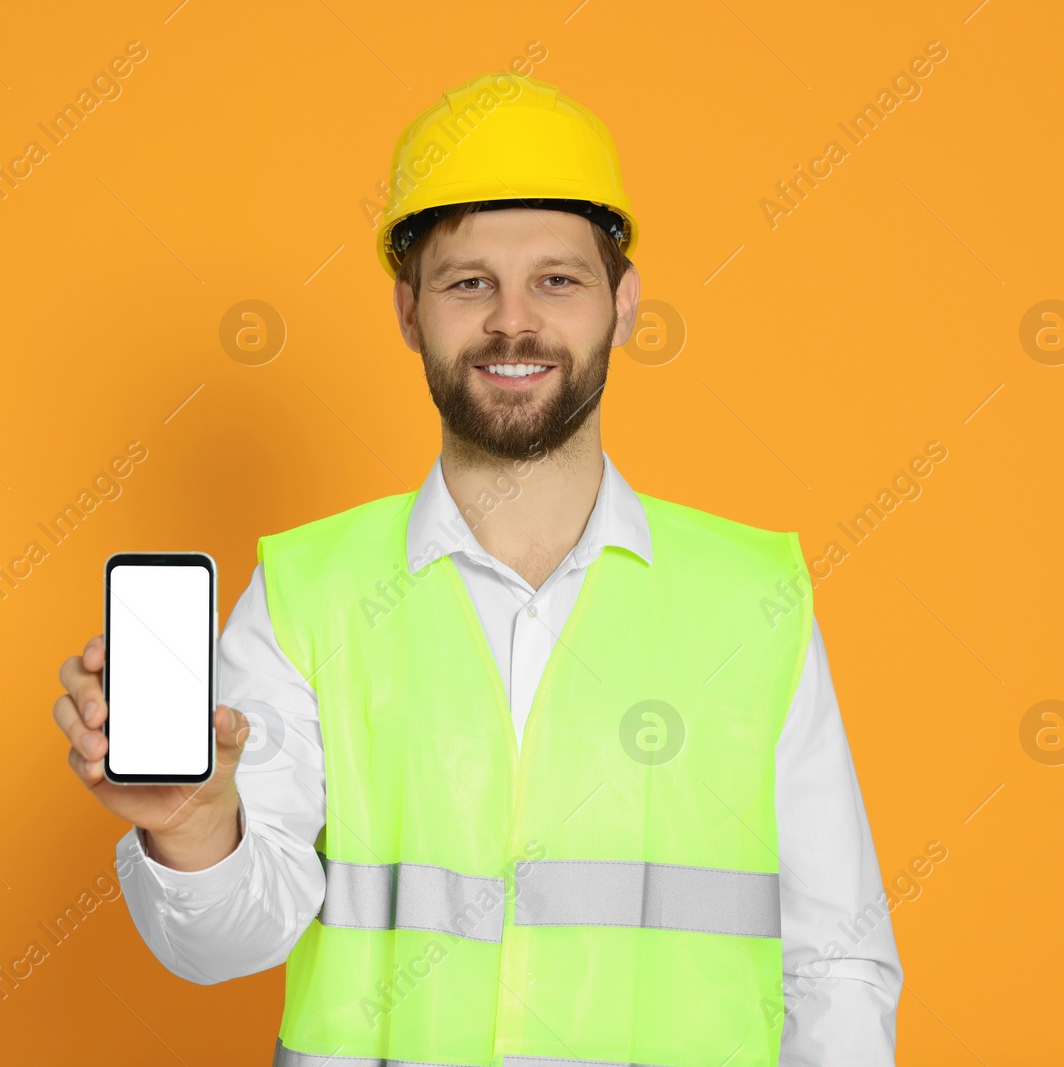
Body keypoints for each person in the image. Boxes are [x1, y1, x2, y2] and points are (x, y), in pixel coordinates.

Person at [52, 70, 902, 1066]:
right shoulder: (308, 592)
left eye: (557, 278)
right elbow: (229, 942)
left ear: (623, 305)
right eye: (468, 282)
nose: (511, 320)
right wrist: (194, 825)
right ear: (408, 311)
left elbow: (835, 962)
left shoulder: (748, 598)